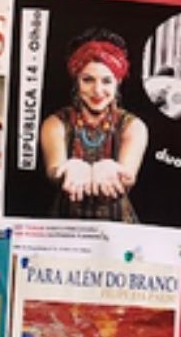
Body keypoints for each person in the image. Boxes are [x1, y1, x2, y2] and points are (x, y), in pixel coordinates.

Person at [39, 30, 148, 222]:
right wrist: (67, 170)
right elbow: (53, 170)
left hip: (118, 229)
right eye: (88, 80)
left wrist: (112, 170)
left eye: (106, 81)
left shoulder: (133, 126)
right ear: (77, 81)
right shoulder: (55, 124)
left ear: (117, 82)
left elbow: (128, 177)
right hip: (64, 227)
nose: (97, 91)